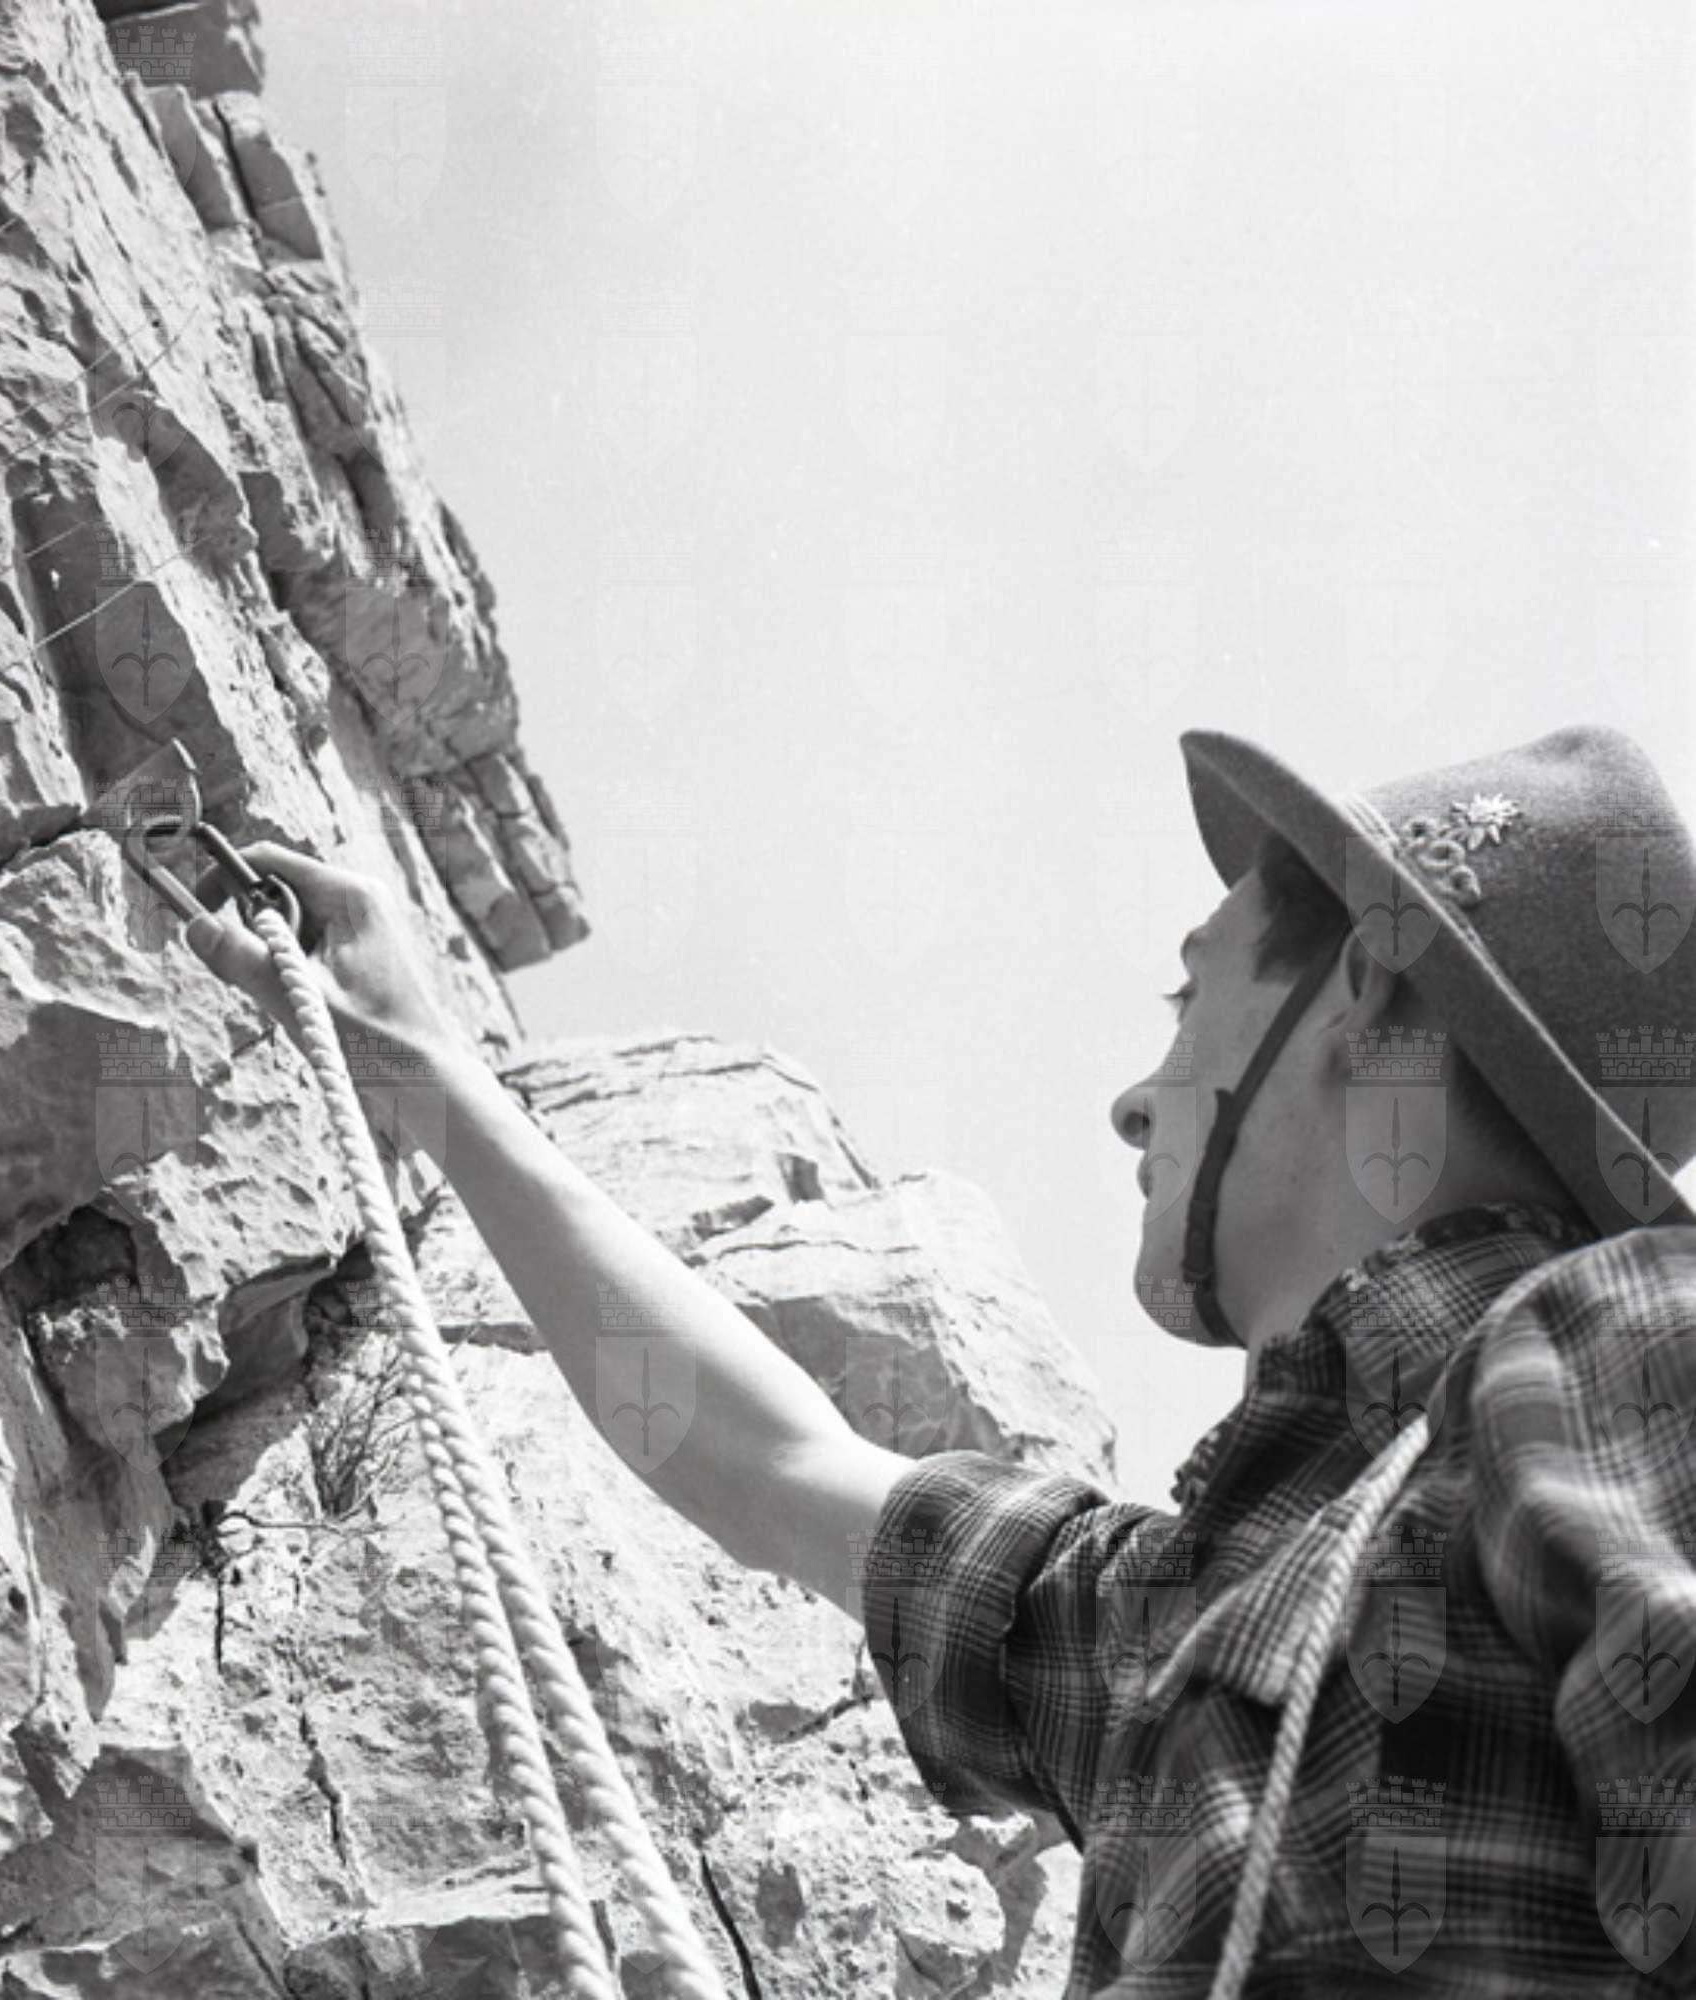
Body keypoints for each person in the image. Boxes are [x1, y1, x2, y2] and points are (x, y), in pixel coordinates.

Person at [184, 724, 1696, 1997]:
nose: (1133, 1099)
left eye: (1190, 997)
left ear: (1364, 984)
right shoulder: (1179, 1613)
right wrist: (432, 1076)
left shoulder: (1632, 1341)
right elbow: (769, 1466)